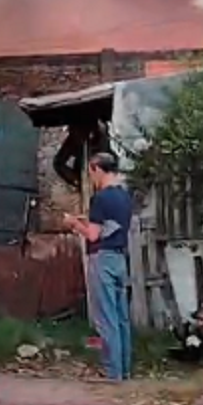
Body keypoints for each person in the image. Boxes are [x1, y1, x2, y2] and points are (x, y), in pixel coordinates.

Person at [62, 151, 134, 382]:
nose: (91, 177)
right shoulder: (125, 196)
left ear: (96, 169)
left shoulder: (100, 198)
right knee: (122, 317)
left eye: (90, 172)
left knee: (106, 317)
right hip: (120, 258)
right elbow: (110, 227)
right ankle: (124, 369)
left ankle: (112, 373)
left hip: (102, 258)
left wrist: (74, 223)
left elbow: (93, 235)